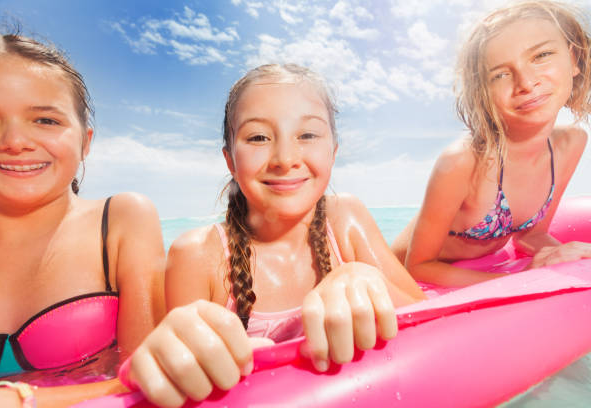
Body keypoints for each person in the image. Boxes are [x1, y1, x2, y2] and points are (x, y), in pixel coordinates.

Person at [123, 63, 426, 408]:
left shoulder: (345, 220)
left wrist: (365, 277)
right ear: (230, 161)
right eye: (258, 137)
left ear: (333, 151)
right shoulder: (198, 255)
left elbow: (434, 320)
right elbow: (188, 382)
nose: (285, 158)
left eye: (308, 135)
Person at [0, 32, 166, 406]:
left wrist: (18, 399)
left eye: (45, 120)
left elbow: (149, 380)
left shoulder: (121, 222)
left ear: (85, 142)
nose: (14, 141)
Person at [392, 0, 591, 288]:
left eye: (541, 55)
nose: (526, 82)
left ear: (574, 59)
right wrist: (519, 281)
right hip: (406, 275)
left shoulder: (571, 145)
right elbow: (419, 267)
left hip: (476, 269)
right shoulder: (464, 161)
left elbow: (531, 235)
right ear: (484, 92)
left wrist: (579, 259)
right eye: (501, 74)